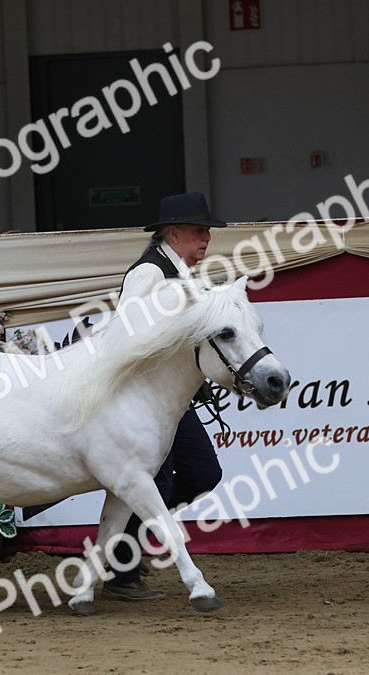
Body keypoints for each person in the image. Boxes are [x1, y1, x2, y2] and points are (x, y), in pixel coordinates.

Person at [101, 192, 225, 602]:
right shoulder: (148, 274)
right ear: (173, 233)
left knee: (203, 473)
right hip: (142, 402)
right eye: (198, 231)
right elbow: (127, 335)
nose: (206, 238)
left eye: (206, 232)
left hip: (169, 400)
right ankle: (122, 572)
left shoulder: (184, 274)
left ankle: (125, 550)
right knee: (157, 481)